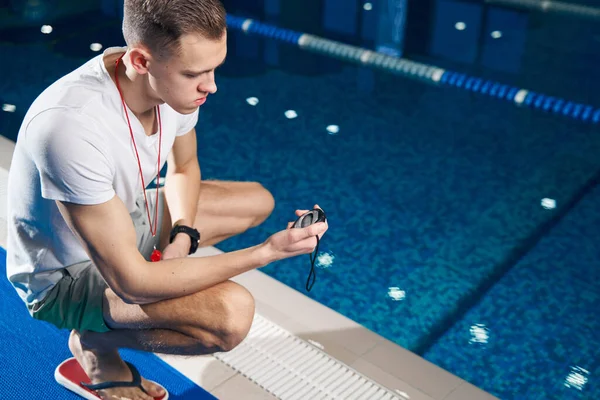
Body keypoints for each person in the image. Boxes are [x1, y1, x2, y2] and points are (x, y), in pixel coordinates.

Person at [5, 0, 328, 399]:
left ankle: (108, 326)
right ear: (140, 60)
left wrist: (183, 236)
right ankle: (94, 345)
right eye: (194, 73)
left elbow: (183, 167)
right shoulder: (70, 127)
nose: (211, 86)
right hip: (65, 275)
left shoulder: (170, 88)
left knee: (255, 200)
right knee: (230, 316)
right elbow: (134, 285)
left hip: (125, 218)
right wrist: (266, 253)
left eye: (214, 68)